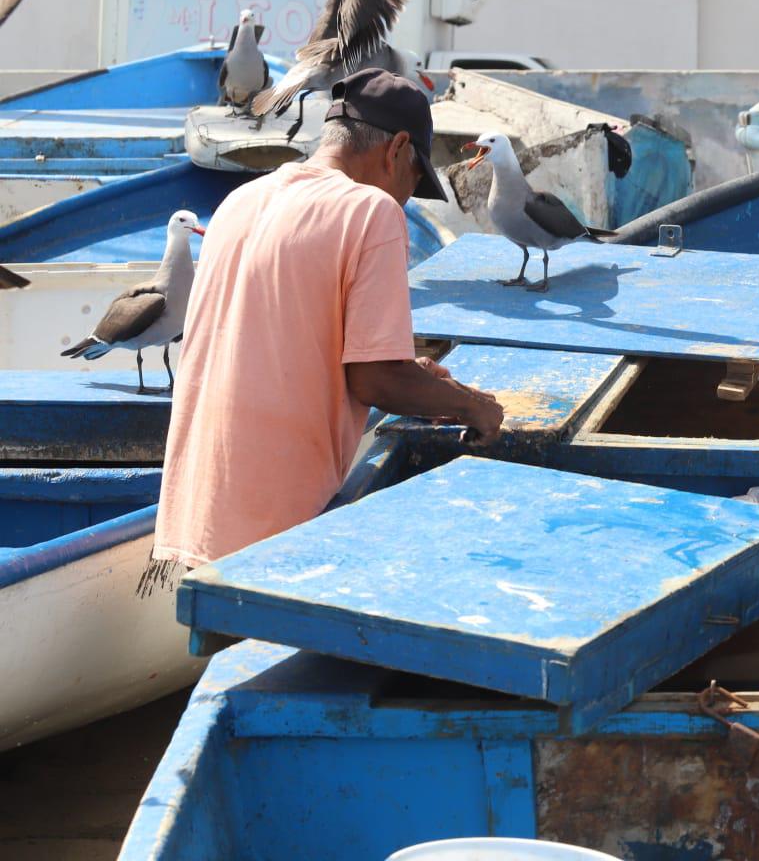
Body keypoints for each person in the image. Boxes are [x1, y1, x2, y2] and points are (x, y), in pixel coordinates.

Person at [150, 68, 504, 576]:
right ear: (397, 148)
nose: (406, 195)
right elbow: (376, 378)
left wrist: (413, 372)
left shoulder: (240, 201)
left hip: (198, 515)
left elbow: (279, 345)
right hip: (275, 531)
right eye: (412, 177)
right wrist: (474, 409)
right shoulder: (372, 212)